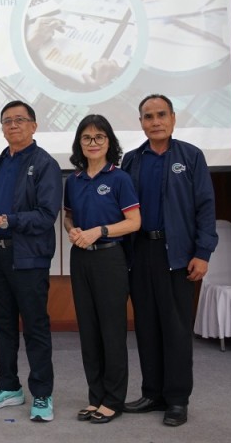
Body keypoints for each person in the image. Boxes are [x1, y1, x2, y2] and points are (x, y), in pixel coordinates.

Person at [121, 94, 217, 427]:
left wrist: (202, 253)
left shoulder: (191, 156)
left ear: (173, 118)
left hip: (177, 254)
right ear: (141, 123)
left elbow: (205, 207)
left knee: (176, 330)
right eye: (148, 117)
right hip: (141, 253)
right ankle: (153, 394)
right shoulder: (131, 160)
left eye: (161, 115)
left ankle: (177, 399)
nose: (156, 122)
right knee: (146, 327)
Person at [0, 101, 62, 422]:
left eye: (20, 120)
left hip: (28, 257)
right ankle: (9, 385)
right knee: (3, 325)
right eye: (7, 120)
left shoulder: (45, 164)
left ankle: (42, 393)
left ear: (34, 126)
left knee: (35, 326)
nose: (13, 125)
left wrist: (5, 220)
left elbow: (46, 215)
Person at [63, 114, 140, 424]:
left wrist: (100, 231)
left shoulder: (119, 178)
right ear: (79, 144)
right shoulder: (73, 180)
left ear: (109, 142)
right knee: (89, 331)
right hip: (80, 258)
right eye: (87, 138)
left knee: (112, 331)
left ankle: (113, 399)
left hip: (110, 259)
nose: (93, 143)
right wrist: (71, 229)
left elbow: (134, 222)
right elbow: (68, 216)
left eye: (99, 137)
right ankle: (95, 397)